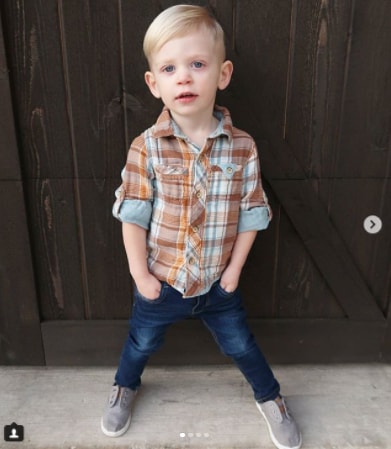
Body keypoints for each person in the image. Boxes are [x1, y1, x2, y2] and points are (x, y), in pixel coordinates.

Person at [101, 4, 301, 449]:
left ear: (222, 74)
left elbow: (252, 213)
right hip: (162, 280)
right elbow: (132, 215)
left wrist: (232, 274)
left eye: (197, 64)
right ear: (154, 83)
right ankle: (123, 387)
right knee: (140, 344)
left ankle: (270, 397)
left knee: (242, 346)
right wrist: (142, 278)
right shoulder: (147, 147)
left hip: (217, 284)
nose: (184, 78)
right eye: (170, 68)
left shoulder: (242, 147)